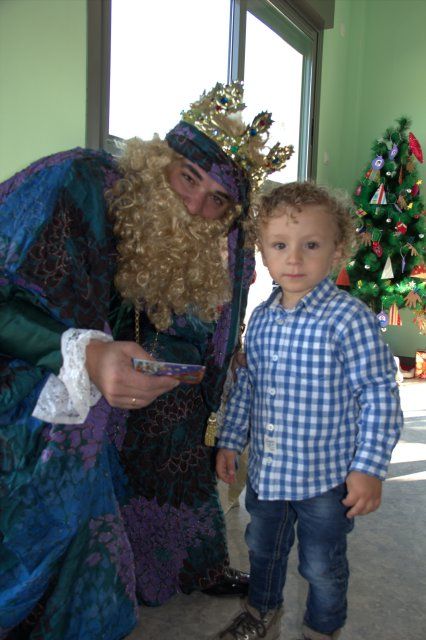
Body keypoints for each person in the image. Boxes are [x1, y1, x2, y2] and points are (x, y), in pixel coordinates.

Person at [0, 82, 293, 639]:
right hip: (19, 378)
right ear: (159, 160)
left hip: (87, 368)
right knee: (75, 439)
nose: (193, 206)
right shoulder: (75, 181)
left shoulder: (183, 237)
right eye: (187, 178)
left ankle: (178, 558)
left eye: (216, 202)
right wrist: (86, 357)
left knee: (179, 386)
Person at [214, 182, 403, 640]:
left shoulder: (348, 318)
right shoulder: (260, 318)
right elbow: (248, 387)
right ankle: (262, 611)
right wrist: (229, 439)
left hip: (327, 479)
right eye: (280, 245)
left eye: (311, 245)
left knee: (322, 566)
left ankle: (322, 628)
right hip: (268, 475)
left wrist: (369, 468)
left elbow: (380, 395)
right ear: (263, 251)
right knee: (262, 551)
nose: (294, 259)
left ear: (337, 251)